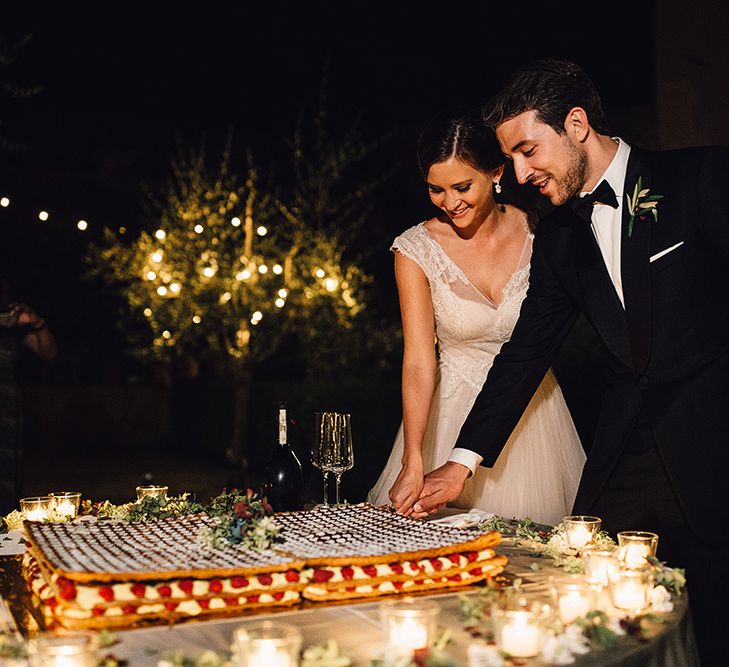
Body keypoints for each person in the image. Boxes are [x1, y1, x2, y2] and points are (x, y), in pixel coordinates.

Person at [413, 58, 728, 665]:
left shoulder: (700, 178)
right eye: (513, 159)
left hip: (714, 440)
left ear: (577, 124)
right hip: (627, 458)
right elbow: (525, 352)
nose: (521, 174)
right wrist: (460, 463)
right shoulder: (558, 237)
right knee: (600, 616)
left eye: (529, 151)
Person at [366, 111, 585, 525]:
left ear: (497, 172)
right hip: (450, 418)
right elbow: (417, 359)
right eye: (437, 190)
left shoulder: (543, 233)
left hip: (533, 415)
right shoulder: (416, 249)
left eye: (462, 187)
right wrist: (414, 455)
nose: (451, 203)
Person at [0, 278, 57, 514]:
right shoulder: (7, 320)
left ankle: (6, 541)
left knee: (7, 483)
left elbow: (48, 352)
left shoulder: (11, 319)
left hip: (7, 412)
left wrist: (36, 323)